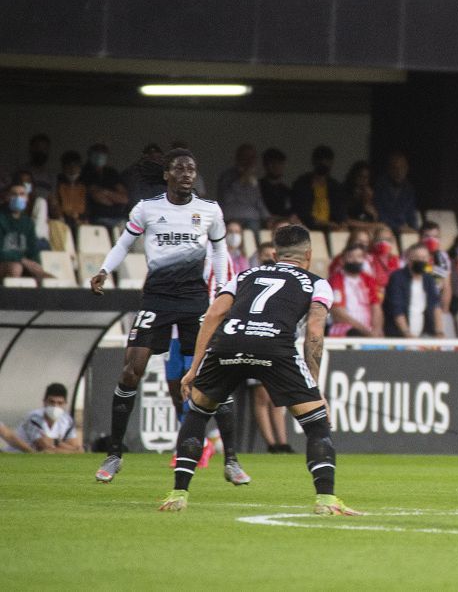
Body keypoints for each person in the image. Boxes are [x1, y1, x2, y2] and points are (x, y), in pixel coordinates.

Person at [161, 225, 361, 517]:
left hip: (228, 343)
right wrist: (312, 387)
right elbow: (315, 331)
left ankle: (178, 493)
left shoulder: (244, 275)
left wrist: (194, 368)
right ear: (308, 254)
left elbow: (214, 314)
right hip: (275, 346)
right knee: (317, 423)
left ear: (274, 254)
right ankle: (326, 500)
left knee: (198, 413)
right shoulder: (316, 283)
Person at [90, 148, 248, 486]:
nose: (188, 174)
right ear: (167, 174)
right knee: (132, 371)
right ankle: (114, 455)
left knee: (212, 377)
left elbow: (220, 251)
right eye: (180, 168)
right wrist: (104, 269)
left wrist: (222, 291)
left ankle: (232, 460)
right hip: (156, 299)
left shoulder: (209, 211)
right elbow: (123, 243)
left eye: (192, 168)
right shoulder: (147, 209)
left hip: (194, 302)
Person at [246, 242, 292, 453]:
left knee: (276, 396)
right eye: (263, 255)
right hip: (255, 339)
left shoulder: (282, 282)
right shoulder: (248, 278)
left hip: (274, 340)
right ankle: (272, 443)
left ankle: (282, 441)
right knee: (262, 395)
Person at [383, 243, 444, 338]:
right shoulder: (397, 277)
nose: (421, 261)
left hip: (423, 334)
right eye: (416, 257)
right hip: (400, 335)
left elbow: (435, 305)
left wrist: (439, 332)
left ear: (428, 259)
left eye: (424, 258)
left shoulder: (429, 278)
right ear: (408, 259)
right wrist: (406, 333)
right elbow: (396, 309)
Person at [0, 383, 82, 454]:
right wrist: (67, 448)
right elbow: (43, 447)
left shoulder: (67, 420)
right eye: (52, 402)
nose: (55, 406)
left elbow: (77, 448)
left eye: (60, 403)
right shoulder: (34, 418)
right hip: (19, 455)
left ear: (65, 404)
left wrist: (55, 442)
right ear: (44, 402)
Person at [328, 244, 383, 337]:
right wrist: (366, 332)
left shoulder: (369, 280)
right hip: (346, 329)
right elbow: (338, 312)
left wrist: (376, 330)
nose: (355, 260)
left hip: (369, 330)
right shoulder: (335, 280)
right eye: (351, 257)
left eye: (359, 257)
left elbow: (376, 307)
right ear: (342, 260)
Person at [292, 145, 347, 231]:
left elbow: (340, 211)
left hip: (333, 230)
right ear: (314, 161)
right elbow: (302, 212)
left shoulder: (335, 186)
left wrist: (341, 224)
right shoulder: (302, 184)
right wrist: (325, 224)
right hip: (308, 228)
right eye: (321, 160)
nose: (324, 163)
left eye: (327, 160)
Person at [218, 144, 269, 234]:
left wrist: (268, 217)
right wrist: (243, 178)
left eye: (252, 157)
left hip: (252, 219)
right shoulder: (227, 175)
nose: (250, 161)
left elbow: (258, 200)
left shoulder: (254, 179)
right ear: (238, 158)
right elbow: (226, 198)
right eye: (246, 157)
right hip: (232, 218)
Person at [0, 182, 46, 281]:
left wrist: (36, 265)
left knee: (45, 276)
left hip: (22, 263)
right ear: (7, 197)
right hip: (4, 263)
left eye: (22, 194)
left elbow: (33, 251)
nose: (18, 197)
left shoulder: (28, 222)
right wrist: (22, 260)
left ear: (27, 198)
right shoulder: (1, 218)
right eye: (14, 194)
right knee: (16, 268)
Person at [82, 143, 129, 230]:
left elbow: (124, 199)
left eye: (103, 153)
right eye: (97, 153)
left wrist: (105, 192)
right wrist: (114, 196)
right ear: (90, 155)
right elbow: (98, 197)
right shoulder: (85, 172)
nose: (100, 156)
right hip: (98, 218)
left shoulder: (111, 172)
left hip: (119, 218)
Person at [374, 152, 418, 234]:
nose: (399, 172)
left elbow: (411, 214)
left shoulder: (409, 188)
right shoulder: (380, 186)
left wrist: (414, 230)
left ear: (407, 169)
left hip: (404, 231)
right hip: (384, 229)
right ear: (389, 169)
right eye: (395, 168)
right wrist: (397, 228)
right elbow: (380, 214)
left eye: (402, 168)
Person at [419, 220, 452, 311]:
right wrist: (434, 271)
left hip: (436, 301)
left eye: (435, 237)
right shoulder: (412, 254)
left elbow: (446, 287)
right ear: (420, 238)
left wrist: (445, 310)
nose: (431, 240)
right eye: (427, 236)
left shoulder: (443, 256)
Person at [55, 151, 88, 231]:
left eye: (75, 166)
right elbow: (56, 206)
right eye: (69, 166)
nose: (72, 169)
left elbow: (88, 210)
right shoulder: (57, 184)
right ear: (63, 167)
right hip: (63, 223)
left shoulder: (84, 187)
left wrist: (81, 219)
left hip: (81, 224)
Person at [20, 133, 55, 203]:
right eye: (38, 148)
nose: (41, 151)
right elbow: (27, 193)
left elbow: (53, 197)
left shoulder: (51, 176)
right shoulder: (23, 172)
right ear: (31, 149)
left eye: (44, 148)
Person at [368, 227, 401, 299]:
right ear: (374, 242)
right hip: (377, 295)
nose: (383, 242)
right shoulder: (369, 258)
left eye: (387, 240)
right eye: (379, 239)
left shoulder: (397, 260)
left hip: (394, 294)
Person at [259, 148, 291, 219]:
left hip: (282, 225)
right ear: (265, 165)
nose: (276, 166)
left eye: (279, 163)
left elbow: (289, 211)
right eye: (272, 163)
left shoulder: (287, 191)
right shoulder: (257, 187)